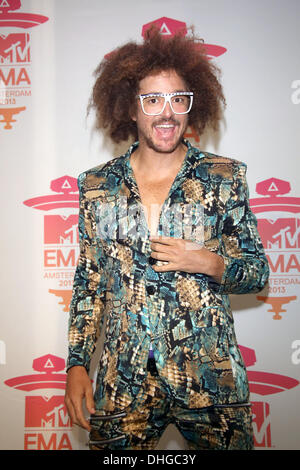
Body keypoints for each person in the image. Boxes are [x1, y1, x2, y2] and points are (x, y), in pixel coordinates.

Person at [65, 27, 269, 450]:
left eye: (178, 99)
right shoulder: (97, 186)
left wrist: (210, 263)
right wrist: (77, 365)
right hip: (125, 383)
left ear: (192, 105)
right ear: (130, 108)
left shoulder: (224, 178)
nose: (167, 113)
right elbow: (90, 284)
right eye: (152, 99)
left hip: (210, 383)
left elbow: (257, 273)